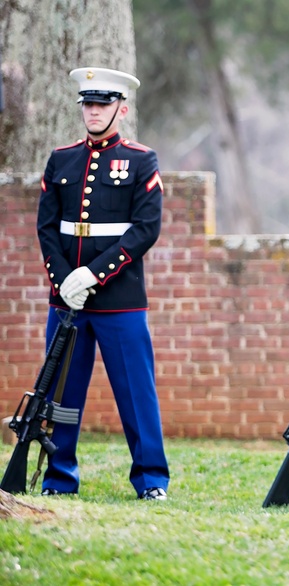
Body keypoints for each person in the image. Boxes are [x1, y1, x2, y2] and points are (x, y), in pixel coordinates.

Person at [36, 67, 169, 500]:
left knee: (135, 394)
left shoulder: (141, 159)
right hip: (66, 300)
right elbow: (47, 228)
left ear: (122, 109)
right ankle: (59, 477)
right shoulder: (61, 159)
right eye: (88, 104)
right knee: (62, 393)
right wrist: (62, 280)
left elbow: (145, 230)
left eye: (103, 104)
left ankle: (151, 480)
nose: (94, 111)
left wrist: (91, 275)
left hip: (120, 299)